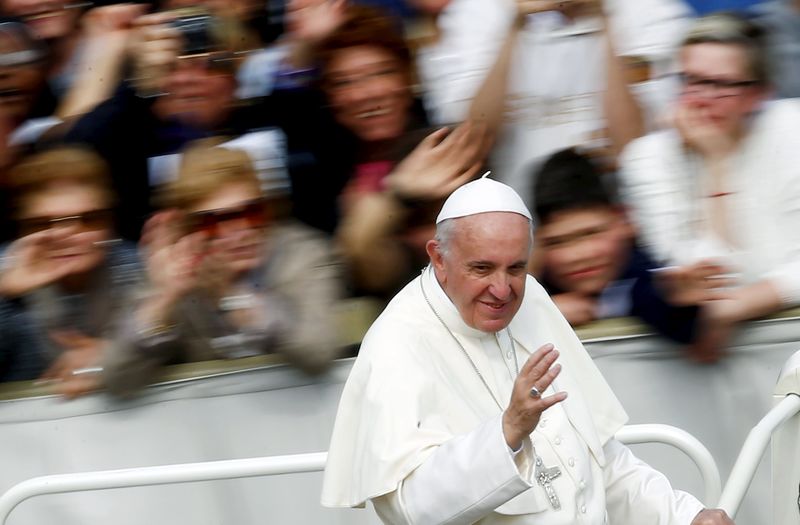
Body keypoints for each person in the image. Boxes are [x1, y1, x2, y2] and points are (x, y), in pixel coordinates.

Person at [321, 176, 734, 524]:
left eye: (516, 267)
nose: (502, 290)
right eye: (481, 268)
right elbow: (409, 507)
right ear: (439, 258)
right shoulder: (398, 340)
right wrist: (507, 432)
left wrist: (683, 515)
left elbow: (597, 461)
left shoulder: (531, 298)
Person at [618, 12, 800, 361]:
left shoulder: (791, 130)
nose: (701, 98)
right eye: (692, 81)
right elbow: (710, 287)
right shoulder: (648, 159)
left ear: (759, 94)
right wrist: (716, 162)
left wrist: (743, 304)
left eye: (721, 85)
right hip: (720, 368)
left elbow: (722, 305)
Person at [103, 142, 344, 398]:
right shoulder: (172, 269)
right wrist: (166, 299)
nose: (239, 232)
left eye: (251, 212)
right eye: (215, 221)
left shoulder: (302, 253)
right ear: (188, 228)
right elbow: (117, 380)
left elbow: (319, 353)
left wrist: (233, 297)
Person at [0, 146, 141, 396]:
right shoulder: (4, 267)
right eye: (43, 223)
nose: (67, 235)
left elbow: (175, 346)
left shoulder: (136, 266)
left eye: (88, 219)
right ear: (22, 230)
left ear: (109, 223)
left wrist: (117, 352)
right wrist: (4, 292)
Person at [532, 148, 699, 343]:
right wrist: (539, 313)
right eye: (557, 242)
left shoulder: (645, 276)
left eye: (591, 233)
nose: (577, 255)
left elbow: (653, 299)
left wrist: (677, 299)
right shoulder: (534, 293)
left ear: (625, 220)